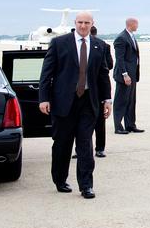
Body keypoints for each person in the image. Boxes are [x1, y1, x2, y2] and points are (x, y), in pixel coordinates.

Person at [38, 11, 112, 199]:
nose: (83, 26)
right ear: (75, 23)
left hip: (88, 101)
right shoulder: (59, 43)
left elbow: (103, 74)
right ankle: (60, 179)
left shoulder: (99, 45)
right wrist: (44, 98)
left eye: (87, 22)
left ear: (92, 24)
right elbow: (46, 73)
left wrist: (107, 99)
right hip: (64, 102)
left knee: (85, 144)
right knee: (62, 144)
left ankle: (86, 185)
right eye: (80, 22)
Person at [73, 25, 112, 159]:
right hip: (80, 91)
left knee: (99, 121)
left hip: (97, 91)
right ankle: (81, 149)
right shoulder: (75, 46)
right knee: (79, 122)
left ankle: (100, 148)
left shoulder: (103, 46)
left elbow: (109, 65)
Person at [112, 17, 143, 134]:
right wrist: (125, 74)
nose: (138, 26)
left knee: (131, 101)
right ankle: (118, 126)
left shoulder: (131, 36)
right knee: (121, 101)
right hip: (124, 76)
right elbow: (119, 59)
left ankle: (130, 125)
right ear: (131, 24)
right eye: (137, 24)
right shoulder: (121, 38)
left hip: (133, 74)